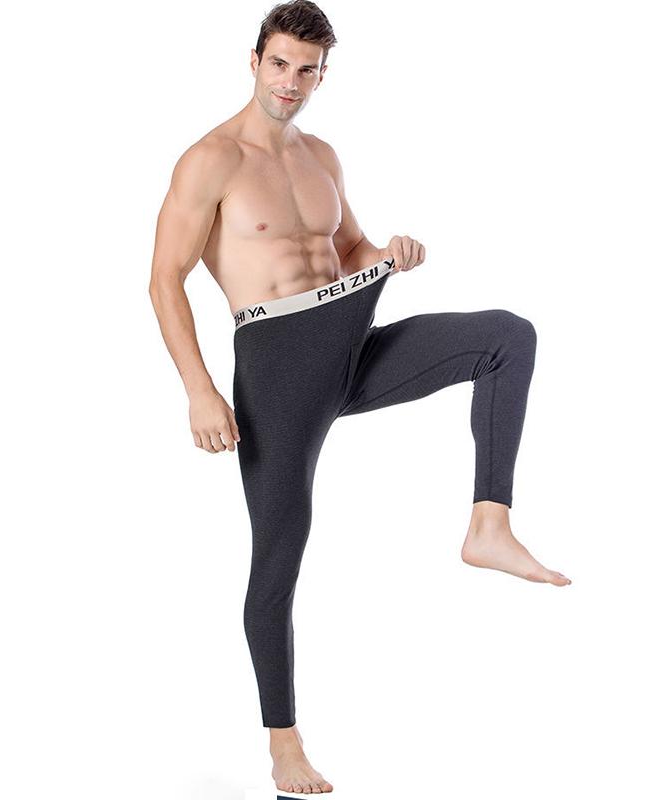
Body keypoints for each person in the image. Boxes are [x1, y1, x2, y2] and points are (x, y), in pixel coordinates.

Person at [148, 1, 571, 793]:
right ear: (254, 61)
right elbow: (162, 279)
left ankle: (489, 525)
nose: (291, 82)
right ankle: (284, 744)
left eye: (307, 70)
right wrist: (199, 390)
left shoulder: (322, 158)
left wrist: (391, 252)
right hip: (278, 367)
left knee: (506, 337)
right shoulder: (210, 160)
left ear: (322, 75)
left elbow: (349, 252)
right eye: (280, 64)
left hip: (351, 338)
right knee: (278, 560)